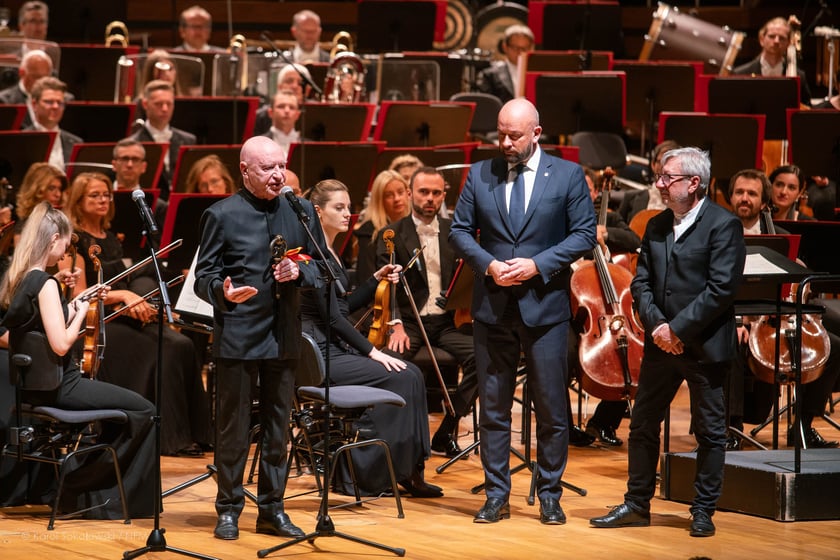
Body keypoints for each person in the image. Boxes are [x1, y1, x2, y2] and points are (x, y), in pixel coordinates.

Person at [450, 98, 597, 524]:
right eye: (501, 133)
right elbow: (459, 231)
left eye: (515, 135)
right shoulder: (480, 173)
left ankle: (550, 492)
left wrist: (538, 264)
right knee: (493, 407)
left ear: (537, 132)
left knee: (552, 406)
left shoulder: (567, 174)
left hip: (545, 305)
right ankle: (497, 494)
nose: (506, 142)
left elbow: (584, 234)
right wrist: (489, 265)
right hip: (493, 306)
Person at [590, 147, 746, 538]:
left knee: (710, 432)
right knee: (642, 425)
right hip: (661, 344)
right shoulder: (657, 224)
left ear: (694, 183)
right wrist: (660, 327)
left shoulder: (723, 225)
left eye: (667, 178)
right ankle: (637, 504)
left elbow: (721, 289)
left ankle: (703, 510)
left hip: (703, 346)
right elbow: (641, 283)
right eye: (659, 177)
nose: (659, 184)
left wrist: (678, 329)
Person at [194, 136, 323, 540]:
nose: (277, 174)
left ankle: (272, 509)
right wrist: (222, 292)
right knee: (232, 428)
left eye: (280, 165)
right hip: (238, 333)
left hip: (284, 333)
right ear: (245, 171)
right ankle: (228, 509)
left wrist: (299, 273)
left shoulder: (300, 211)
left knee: (277, 427)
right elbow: (202, 277)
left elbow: (320, 267)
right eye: (267, 168)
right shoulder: (221, 214)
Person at [0, 201, 156, 518]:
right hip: (62, 385)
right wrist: (83, 312)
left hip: (34, 386)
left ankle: (85, 490)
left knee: (127, 413)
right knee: (145, 410)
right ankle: (78, 487)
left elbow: (42, 327)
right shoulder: (45, 283)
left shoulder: (23, 277)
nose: (66, 250)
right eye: (66, 242)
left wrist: (79, 299)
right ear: (54, 238)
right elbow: (60, 344)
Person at [301, 178, 443, 498]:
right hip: (319, 354)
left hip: (333, 347)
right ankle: (362, 473)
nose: (347, 214)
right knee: (404, 375)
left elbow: (344, 304)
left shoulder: (330, 252)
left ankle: (409, 470)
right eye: (338, 208)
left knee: (411, 374)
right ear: (318, 212)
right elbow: (333, 318)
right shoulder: (312, 253)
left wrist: (373, 281)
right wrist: (372, 352)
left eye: (349, 208)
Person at [62, 172, 212, 457]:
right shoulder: (75, 241)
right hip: (96, 324)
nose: (103, 199)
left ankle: (198, 432)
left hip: (123, 316)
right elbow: (77, 296)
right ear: (78, 201)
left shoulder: (111, 237)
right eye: (94, 195)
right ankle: (172, 437)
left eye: (106, 194)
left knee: (183, 343)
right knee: (166, 347)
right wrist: (123, 296)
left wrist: (140, 298)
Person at [728, 169, 839, 449]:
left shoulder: (780, 237)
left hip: (773, 320)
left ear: (764, 202)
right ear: (730, 198)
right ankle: (729, 428)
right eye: (739, 192)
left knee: (834, 346)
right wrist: (737, 320)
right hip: (732, 319)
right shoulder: (717, 234)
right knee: (727, 341)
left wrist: (800, 273)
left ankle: (802, 425)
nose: (744, 198)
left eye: (752, 194)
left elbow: (799, 287)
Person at [374, 167, 477, 458]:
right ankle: (393, 441)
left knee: (484, 357)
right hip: (408, 322)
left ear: (444, 195)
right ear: (410, 194)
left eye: (436, 193)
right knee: (392, 363)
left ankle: (448, 428)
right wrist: (395, 324)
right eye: (423, 192)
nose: (429, 198)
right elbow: (388, 284)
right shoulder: (391, 234)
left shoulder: (455, 232)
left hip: (446, 323)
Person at [576, 166, 641, 447]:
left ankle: (603, 422)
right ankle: (562, 426)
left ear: (594, 192)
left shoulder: (611, 217)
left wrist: (605, 233)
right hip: (573, 313)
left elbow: (634, 241)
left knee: (635, 353)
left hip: (609, 310)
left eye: (587, 189)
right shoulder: (556, 222)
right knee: (558, 354)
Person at [129, 80, 197, 200]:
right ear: (145, 104)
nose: (165, 109)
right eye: (158, 104)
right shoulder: (134, 144)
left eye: (169, 104)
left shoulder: (189, 140)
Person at [732, 16, 812, 105]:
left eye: (782, 38)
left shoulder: (799, 77)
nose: (776, 41)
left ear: (788, 43)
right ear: (761, 39)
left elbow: (806, 110)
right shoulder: (741, 74)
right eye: (771, 36)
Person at [353, 170, 410, 287]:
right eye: (389, 195)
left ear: (408, 193)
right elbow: (366, 280)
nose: (397, 199)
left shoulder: (413, 226)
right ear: (380, 200)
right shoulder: (369, 232)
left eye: (400, 192)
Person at [24, 76, 81, 172]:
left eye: (60, 103)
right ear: (34, 104)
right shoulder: (22, 140)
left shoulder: (76, 142)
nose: (55, 106)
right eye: (49, 102)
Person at [618, 140, 678, 224]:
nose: (664, 167)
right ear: (653, 165)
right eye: (661, 161)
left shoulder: (684, 205)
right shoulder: (631, 198)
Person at [111, 138, 169, 226]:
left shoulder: (158, 206)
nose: (129, 165)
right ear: (114, 164)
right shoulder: (100, 201)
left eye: (135, 159)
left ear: (144, 167)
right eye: (124, 159)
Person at [475, 24, 535, 103]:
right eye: (515, 48)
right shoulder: (490, 75)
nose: (520, 52)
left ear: (531, 49)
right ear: (505, 47)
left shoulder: (538, 75)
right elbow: (487, 106)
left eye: (524, 48)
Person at [0, 49, 55, 128]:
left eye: (45, 77)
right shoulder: (4, 101)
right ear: (22, 73)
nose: (41, 82)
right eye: (36, 77)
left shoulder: (63, 100)